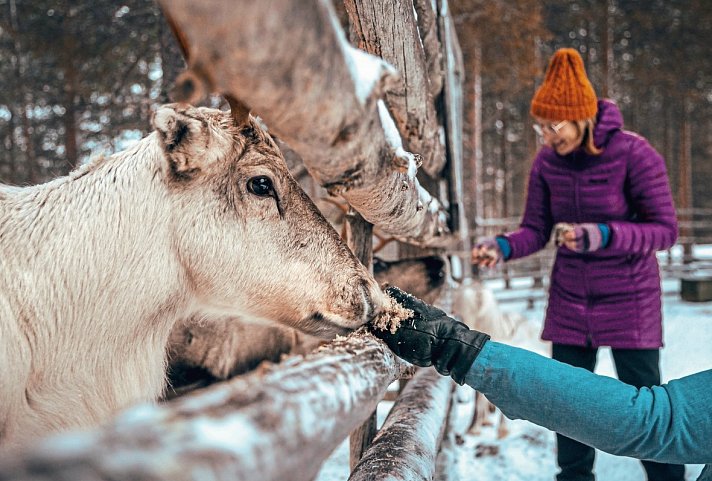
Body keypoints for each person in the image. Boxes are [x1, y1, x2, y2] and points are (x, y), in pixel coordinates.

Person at [470, 48, 681, 481]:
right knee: (567, 405)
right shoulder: (547, 162)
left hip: (630, 302)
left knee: (646, 409)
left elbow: (664, 230)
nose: (547, 136)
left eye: (555, 125)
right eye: (541, 126)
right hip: (571, 302)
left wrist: (602, 234)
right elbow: (534, 228)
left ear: (583, 117)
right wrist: (503, 247)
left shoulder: (634, 154)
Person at [372, 286, 712, 481]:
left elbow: (650, 423)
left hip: (629, 311)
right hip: (574, 312)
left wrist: (457, 348)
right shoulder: (551, 168)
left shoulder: (640, 164)